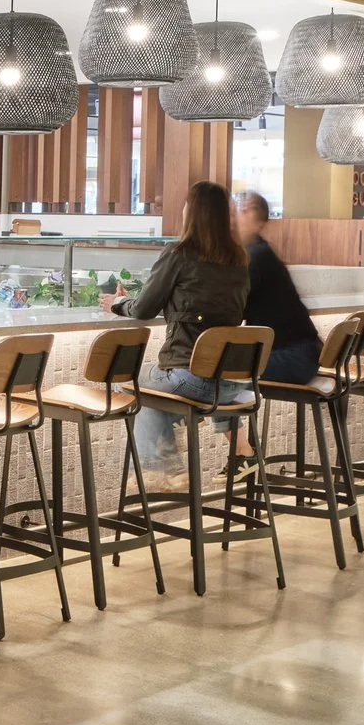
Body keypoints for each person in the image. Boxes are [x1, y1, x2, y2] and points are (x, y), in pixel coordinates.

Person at [112, 180, 252, 492]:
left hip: (192, 379)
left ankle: (163, 467)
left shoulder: (179, 253)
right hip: (233, 383)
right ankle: (179, 429)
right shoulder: (239, 259)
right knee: (158, 392)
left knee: (132, 381)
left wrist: (119, 303)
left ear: (194, 212)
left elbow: (144, 309)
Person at [235, 191, 319, 388]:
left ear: (259, 222)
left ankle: (229, 419)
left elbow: (233, 309)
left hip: (294, 358)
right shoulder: (255, 253)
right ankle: (229, 419)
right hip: (302, 353)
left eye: (243, 211)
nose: (235, 216)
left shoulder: (257, 257)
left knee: (221, 369)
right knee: (221, 367)